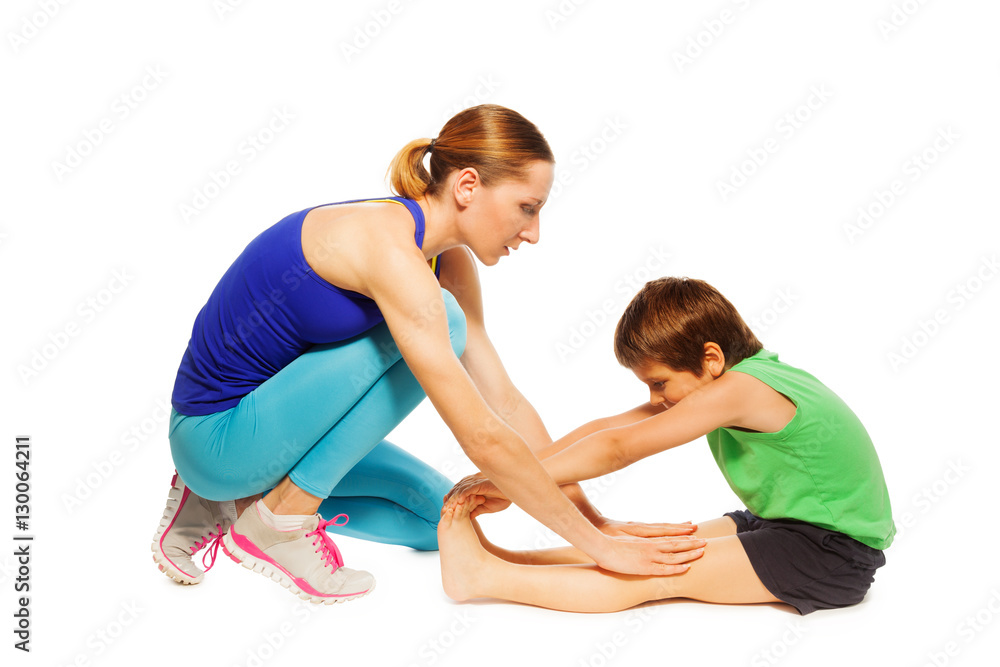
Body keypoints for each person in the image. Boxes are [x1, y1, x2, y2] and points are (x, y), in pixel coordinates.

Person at [150, 105, 706, 605]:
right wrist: (597, 550)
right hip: (216, 440)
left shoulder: (445, 264)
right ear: (467, 185)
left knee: (440, 518)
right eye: (526, 207)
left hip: (277, 436)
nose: (533, 232)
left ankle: (237, 506)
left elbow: (504, 404)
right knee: (448, 322)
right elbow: (482, 435)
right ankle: (272, 516)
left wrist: (597, 521)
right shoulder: (388, 250)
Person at [441, 276, 895, 615]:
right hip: (781, 523)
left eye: (659, 383)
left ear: (711, 359)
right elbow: (605, 429)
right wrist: (512, 471)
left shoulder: (743, 390)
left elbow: (619, 448)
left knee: (652, 574)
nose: (656, 399)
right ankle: (509, 559)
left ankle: (483, 576)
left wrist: (511, 480)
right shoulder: (739, 379)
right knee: (653, 544)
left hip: (833, 554)